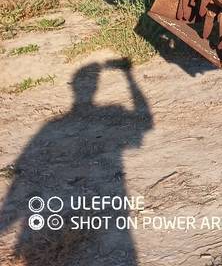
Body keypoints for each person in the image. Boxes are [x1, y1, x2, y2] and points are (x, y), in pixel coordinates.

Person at [0, 60, 153, 265]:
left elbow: (21, 177)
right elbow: (145, 121)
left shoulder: (52, 126)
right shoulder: (108, 113)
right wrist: (128, 77)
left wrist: (5, 221)